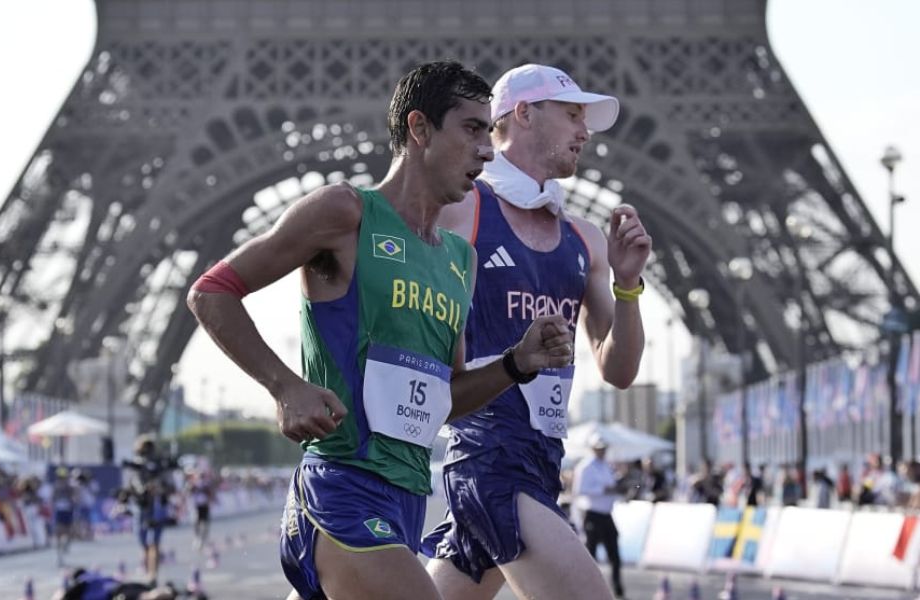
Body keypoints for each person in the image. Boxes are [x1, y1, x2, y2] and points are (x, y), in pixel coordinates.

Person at [187, 60, 575, 600]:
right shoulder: (346, 212)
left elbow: (444, 398)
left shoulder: (461, 260)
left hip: (408, 501)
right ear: (419, 129)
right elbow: (211, 290)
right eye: (471, 129)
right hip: (341, 486)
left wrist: (516, 362)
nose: (487, 151)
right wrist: (284, 386)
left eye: (490, 132)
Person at [419, 63, 649, 600]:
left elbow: (619, 370)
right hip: (489, 459)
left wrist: (629, 284)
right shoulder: (462, 211)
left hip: (543, 460)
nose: (584, 131)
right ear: (522, 114)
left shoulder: (585, 239)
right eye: (572, 114)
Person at [572, 436, 625, 599]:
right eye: (599, 448)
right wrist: (604, 489)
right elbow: (579, 490)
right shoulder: (586, 467)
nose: (602, 451)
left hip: (606, 514)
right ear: (593, 449)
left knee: (615, 555)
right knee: (590, 556)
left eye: (604, 448)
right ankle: (585, 591)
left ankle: (618, 590)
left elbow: (611, 487)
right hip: (593, 514)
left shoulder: (606, 466)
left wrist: (616, 489)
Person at [120, 435, 177, 586]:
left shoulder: (161, 467)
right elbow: (129, 486)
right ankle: (147, 569)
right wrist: (138, 492)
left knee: (155, 543)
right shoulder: (135, 467)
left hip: (158, 507)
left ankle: (153, 574)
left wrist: (159, 487)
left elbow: (172, 486)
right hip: (141, 507)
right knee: (143, 541)